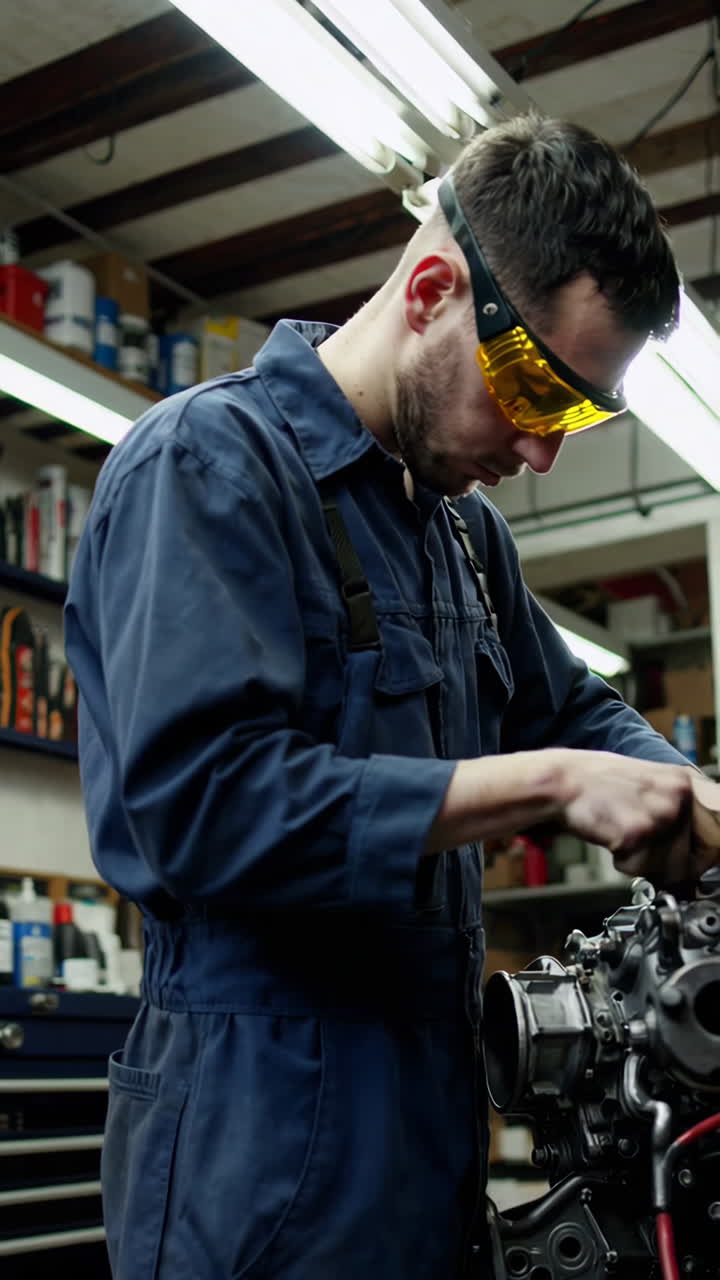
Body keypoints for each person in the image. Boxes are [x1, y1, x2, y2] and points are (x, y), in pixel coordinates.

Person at [65, 112, 720, 1280]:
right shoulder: (208, 466)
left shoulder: (462, 536)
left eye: (575, 412)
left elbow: (571, 714)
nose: (539, 452)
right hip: (251, 1162)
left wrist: (696, 800)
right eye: (531, 386)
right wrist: (558, 785)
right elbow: (204, 803)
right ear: (430, 289)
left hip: (424, 1154)